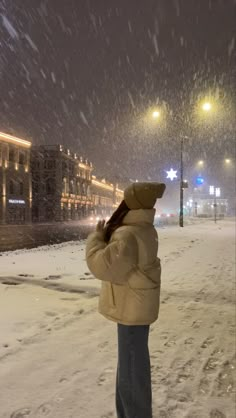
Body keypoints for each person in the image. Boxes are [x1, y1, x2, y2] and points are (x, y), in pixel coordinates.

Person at [86, 182, 166, 418]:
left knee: (131, 372)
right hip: (137, 307)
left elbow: (103, 266)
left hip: (131, 309)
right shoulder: (144, 229)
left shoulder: (128, 234)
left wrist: (96, 239)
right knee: (132, 368)